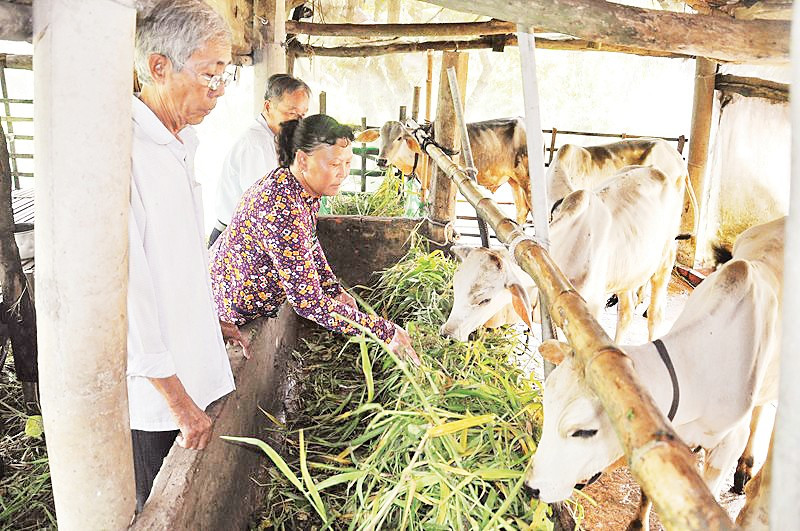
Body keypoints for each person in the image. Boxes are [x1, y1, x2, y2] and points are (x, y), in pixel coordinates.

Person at [129, 0, 246, 513]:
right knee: (158, 503)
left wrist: (207, 318)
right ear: (159, 67)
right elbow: (129, 292)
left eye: (225, 76)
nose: (217, 91)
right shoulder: (126, 152)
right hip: (157, 399)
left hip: (190, 365)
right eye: (208, 75)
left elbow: (178, 259)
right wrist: (177, 400)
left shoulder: (182, 140)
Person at [210, 114, 419, 362]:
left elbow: (307, 241)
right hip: (226, 309)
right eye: (334, 165)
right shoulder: (281, 207)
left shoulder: (298, 188)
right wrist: (384, 332)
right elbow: (307, 302)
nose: (343, 173)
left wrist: (333, 289)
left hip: (243, 299)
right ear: (302, 160)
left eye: (348, 163)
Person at [209, 74, 311, 246]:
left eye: (302, 115)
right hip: (234, 240)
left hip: (250, 234)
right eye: (291, 113)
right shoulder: (257, 144)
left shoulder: (277, 137)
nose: (298, 121)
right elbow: (264, 205)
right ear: (268, 106)